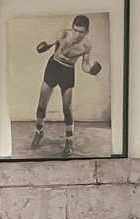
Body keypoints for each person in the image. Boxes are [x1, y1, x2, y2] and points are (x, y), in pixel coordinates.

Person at [29, 14, 101, 154]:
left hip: (67, 72)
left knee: (67, 109)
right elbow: (49, 43)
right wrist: (43, 47)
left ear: (87, 32)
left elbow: (85, 65)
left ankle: (69, 141)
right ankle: (39, 132)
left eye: (81, 31)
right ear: (72, 28)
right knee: (41, 105)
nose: (77, 34)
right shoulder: (62, 34)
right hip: (53, 67)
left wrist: (91, 71)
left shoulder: (86, 46)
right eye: (75, 30)